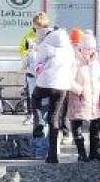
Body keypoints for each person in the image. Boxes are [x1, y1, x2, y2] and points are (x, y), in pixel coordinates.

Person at [31, 27, 75, 162]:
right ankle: (53, 155)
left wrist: (39, 70)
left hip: (46, 81)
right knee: (54, 117)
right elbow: (73, 67)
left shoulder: (46, 44)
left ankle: (39, 120)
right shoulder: (69, 48)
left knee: (35, 97)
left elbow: (37, 62)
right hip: (62, 86)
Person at [63, 30, 100, 161]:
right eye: (86, 49)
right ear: (81, 47)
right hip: (79, 98)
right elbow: (68, 79)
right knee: (77, 124)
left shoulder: (96, 62)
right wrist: (78, 90)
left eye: (91, 49)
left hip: (94, 98)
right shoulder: (74, 61)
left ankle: (94, 152)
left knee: (95, 125)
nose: (89, 52)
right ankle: (81, 153)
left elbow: (98, 79)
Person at [20, 13, 53, 136]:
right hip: (32, 75)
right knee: (36, 105)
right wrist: (27, 53)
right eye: (35, 27)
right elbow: (22, 52)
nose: (36, 29)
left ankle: (45, 137)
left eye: (38, 27)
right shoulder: (29, 36)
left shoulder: (50, 37)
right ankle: (39, 136)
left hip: (45, 77)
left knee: (45, 107)